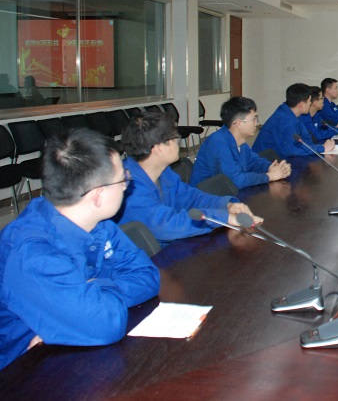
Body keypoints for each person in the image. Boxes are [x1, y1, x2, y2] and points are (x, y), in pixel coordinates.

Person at [0, 128, 160, 370]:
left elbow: (148, 276)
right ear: (98, 196)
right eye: (123, 179)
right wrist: (89, 303)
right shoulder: (33, 253)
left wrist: (92, 290)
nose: (126, 186)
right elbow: (105, 324)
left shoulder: (97, 223)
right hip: (20, 369)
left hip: (67, 349)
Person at [117, 111, 263, 245]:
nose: (178, 142)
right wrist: (223, 218)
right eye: (175, 138)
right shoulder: (126, 186)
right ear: (159, 149)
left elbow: (191, 197)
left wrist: (226, 205)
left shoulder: (164, 172)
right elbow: (167, 225)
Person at [190, 96, 291, 190]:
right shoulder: (217, 143)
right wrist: (269, 176)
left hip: (228, 194)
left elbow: (254, 162)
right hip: (207, 198)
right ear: (239, 123)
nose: (257, 123)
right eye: (254, 119)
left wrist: (273, 168)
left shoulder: (240, 142)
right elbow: (235, 180)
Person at [253, 83, 335, 158]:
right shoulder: (284, 119)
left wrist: (317, 148)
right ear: (301, 105)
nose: (310, 104)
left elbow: (306, 138)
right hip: (265, 165)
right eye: (309, 101)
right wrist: (322, 148)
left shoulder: (294, 114)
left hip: (281, 160)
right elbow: (290, 151)